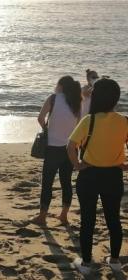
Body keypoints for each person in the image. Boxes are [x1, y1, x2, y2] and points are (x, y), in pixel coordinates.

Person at [67, 78, 127, 275]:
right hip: (113, 176)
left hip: (89, 175)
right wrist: (124, 164)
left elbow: (71, 146)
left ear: (95, 97)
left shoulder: (89, 120)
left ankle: (85, 263)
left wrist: (77, 165)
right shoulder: (123, 121)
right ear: (116, 99)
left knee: (88, 220)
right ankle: (115, 261)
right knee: (113, 219)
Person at [32, 76, 82, 226]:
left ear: (60, 86)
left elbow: (40, 118)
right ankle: (64, 215)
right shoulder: (76, 102)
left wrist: (47, 129)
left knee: (47, 182)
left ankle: (42, 216)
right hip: (70, 149)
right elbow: (79, 125)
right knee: (66, 181)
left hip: (53, 148)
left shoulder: (53, 99)